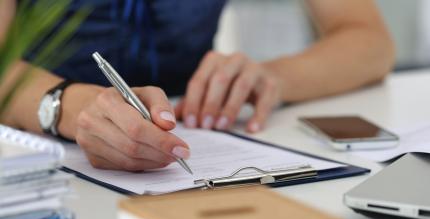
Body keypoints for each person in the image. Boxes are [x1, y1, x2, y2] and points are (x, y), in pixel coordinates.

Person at [0, 0, 395, 171]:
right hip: (40, 152)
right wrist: (67, 107)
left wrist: (271, 78)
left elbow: (370, 42)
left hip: (194, 127)